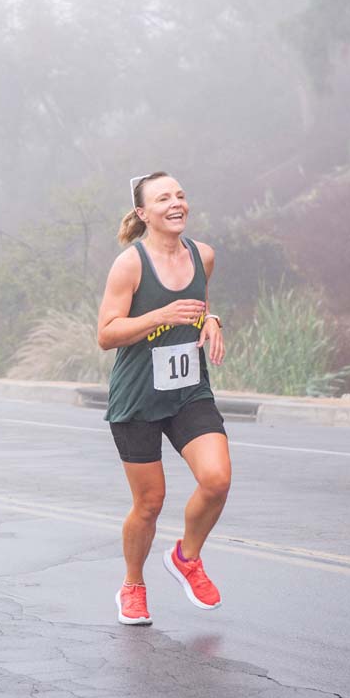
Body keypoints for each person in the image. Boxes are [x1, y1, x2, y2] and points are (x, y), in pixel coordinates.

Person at [97, 171, 229, 626]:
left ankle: (186, 557)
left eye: (180, 195)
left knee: (216, 480)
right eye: (162, 198)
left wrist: (211, 320)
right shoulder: (130, 265)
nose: (176, 204)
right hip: (138, 398)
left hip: (189, 390)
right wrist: (161, 314)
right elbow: (106, 334)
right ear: (143, 213)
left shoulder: (202, 256)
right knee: (150, 503)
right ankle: (133, 584)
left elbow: (201, 300)